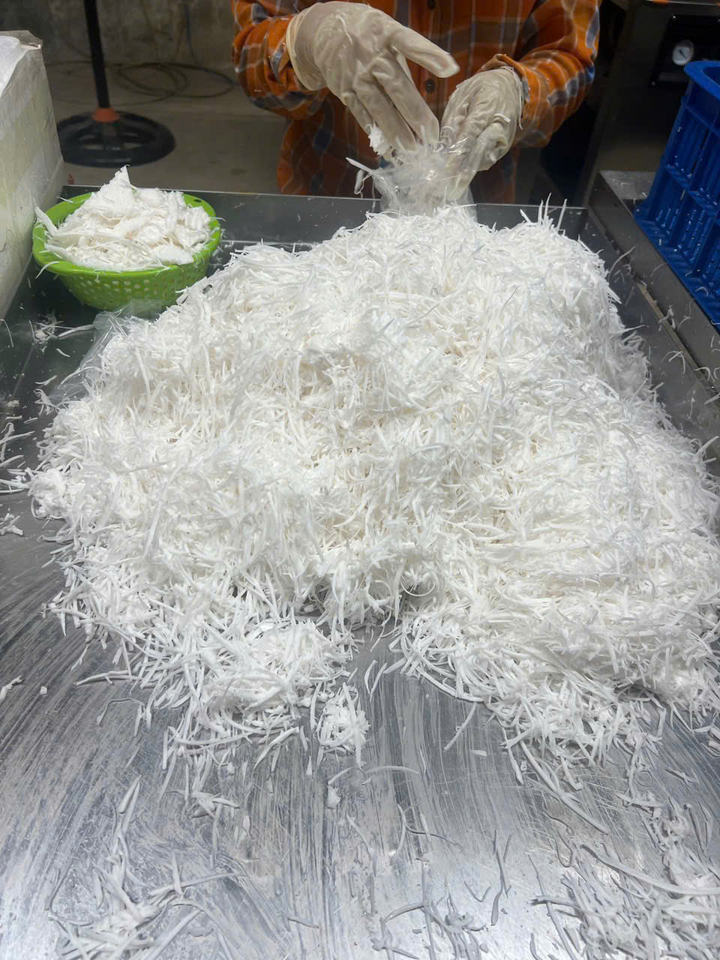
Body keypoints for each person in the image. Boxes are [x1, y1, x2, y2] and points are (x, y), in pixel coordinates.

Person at [231, 0, 599, 202]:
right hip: (327, 194)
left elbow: (569, 55)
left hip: (478, 207)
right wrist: (303, 40)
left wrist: (519, 90)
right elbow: (251, 56)